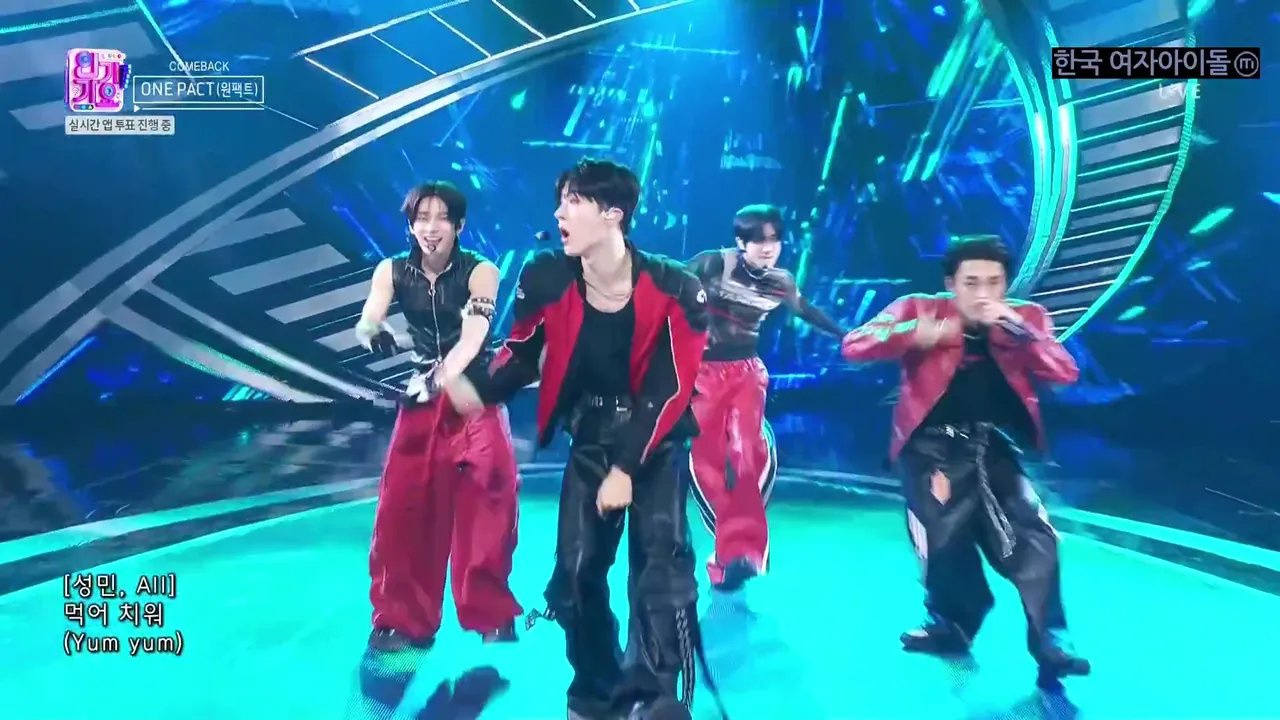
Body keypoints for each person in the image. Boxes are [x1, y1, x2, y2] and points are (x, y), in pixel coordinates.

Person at [445, 159, 723, 720]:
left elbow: (669, 389)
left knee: (661, 575)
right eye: (561, 200)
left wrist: (626, 470)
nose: (559, 214)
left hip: (656, 444)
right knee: (574, 576)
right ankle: (598, 691)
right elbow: (522, 354)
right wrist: (475, 389)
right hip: (591, 437)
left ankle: (653, 699)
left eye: (573, 201)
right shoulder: (547, 276)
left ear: (613, 215)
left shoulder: (676, 288)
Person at [840, 235, 1091, 688]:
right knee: (944, 545)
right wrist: (919, 333)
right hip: (930, 450)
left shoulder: (1026, 318)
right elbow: (855, 345)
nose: (983, 293)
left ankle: (1052, 642)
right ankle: (950, 625)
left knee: (1035, 534)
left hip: (991, 445)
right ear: (950, 284)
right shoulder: (918, 308)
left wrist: (1023, 333)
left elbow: (1064, 372)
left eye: (994, 282)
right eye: (971, 282)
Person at [357, 181, 522, 652]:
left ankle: (491, 614)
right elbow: (368, 317)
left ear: (459, 225)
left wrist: (442, 378)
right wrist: (372, 330)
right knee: (402, 508)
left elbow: (474, 335)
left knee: (490, 501)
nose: (431, 228)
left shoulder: (482, 271)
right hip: (423, 400)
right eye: (421, 218)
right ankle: (400, 619)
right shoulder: (391, 270)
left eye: (441, 218)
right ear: (410, 225)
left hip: (475, 395)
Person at [684, 205, 845, 590]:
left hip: (746, 373)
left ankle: (745, 550)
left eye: (775, 239)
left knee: (747, 453)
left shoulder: (781, 281)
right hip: (703, 374)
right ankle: (727, 550)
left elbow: (806, 310)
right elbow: (668, 288)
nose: (768, 247)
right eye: (759, 240)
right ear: (741, 242)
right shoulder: (712, 264)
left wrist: (844, 335)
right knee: (706, 459)